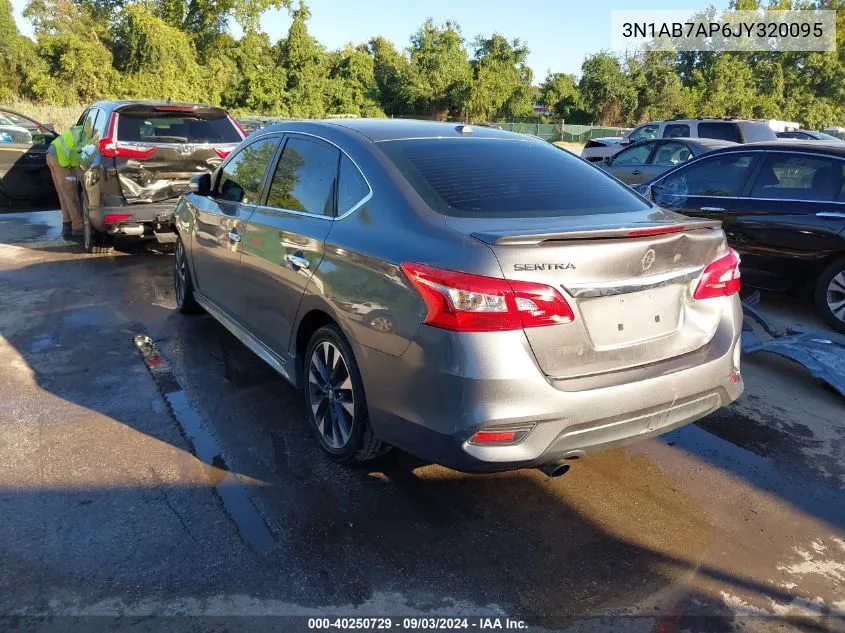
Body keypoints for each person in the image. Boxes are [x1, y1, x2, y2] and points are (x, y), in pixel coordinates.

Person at [46, 125, 85, 239]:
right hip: (59, 158)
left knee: (64, 193)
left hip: (53, 153)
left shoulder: (81, 129)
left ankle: (67, 223)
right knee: (70, 193)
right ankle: (78, 226)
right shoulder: (90, 135)